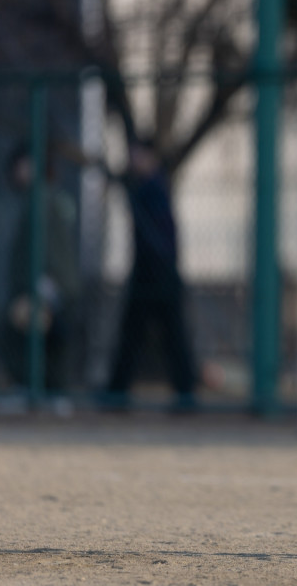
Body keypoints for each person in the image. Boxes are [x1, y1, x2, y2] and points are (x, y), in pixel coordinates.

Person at [103, 138, 198, 411]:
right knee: (136, 335)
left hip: (157, 274)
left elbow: (159, 237)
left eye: (138, 156)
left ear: (150, 157)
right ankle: (118, 392)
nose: (133, 161)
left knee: (169, 337)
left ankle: (183, 393)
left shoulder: (153, 188)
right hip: (149, 273)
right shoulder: (148, 186)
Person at [2, 145, 80, 399]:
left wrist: (46, 283)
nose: (19, 171)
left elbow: (48, 246)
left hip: (48, 283)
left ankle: (44, 391)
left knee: (37, 335)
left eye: (23, 164)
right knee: (37, 336)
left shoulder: (42, 197)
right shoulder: (40, 197)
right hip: (46, 282)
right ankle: (41, 390)